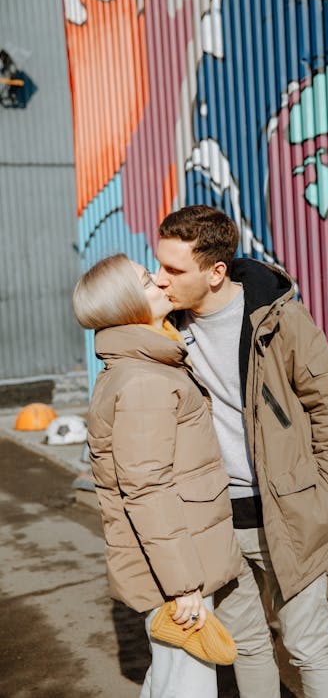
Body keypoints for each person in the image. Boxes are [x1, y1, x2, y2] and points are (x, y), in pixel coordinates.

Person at [156, 205, 328, 698]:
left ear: (216, 272)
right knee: (245, 645)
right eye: (159, 265)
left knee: (310, 646)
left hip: (287, 513)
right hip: (217, 519)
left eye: (174, 270)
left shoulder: (278, 318)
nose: (160, 280)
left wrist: (321, 492)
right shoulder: (164, 328)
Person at [72, 253, 242, 698]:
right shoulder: (143, 379)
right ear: (128, 307)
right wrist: (183, 584)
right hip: (176, 564)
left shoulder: (146, 362)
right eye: (148, 282)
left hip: (177, 553)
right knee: (189, 682)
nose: (162, 285)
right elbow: (146, 489)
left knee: (172, 675)